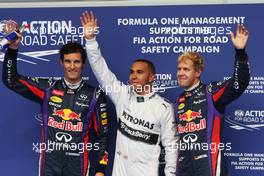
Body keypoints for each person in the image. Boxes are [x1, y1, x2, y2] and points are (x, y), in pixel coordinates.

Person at [80, 11, 178, 176]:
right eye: (132, 72)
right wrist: (90, 41)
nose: (134, 76)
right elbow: (101, 71)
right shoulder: (122, 95)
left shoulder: (163, 107)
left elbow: (171, 146)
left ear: (151, 77)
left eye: (140, 72)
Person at [2, 27, 109, 176]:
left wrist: (100, 169)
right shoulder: (48, 88)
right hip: (49, 166)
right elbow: (11, 81)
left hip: (77, 166)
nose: (72, 66)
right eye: (68, 61)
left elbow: (102, 135)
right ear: (61, 63)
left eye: (77, 62)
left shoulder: (95, 94)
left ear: (83, 64)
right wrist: (13, 50)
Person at [175, 24, 250, 176]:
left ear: (198, 72)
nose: (181, 73)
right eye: (179, 69)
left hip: (209, 167)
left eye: (186, 69)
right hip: (184, 169)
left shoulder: (210, 92)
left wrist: (240, 53)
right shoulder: (179, 101)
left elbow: (238, 84)